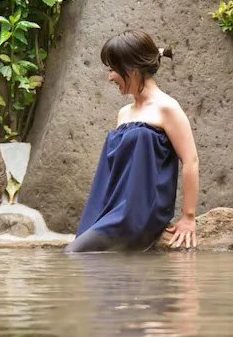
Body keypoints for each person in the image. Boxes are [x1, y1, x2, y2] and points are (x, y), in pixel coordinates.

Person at [66, 30, 199, 252]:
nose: (109, 77)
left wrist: (188, 217)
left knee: (76, 255)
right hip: (111, 207)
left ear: (131, 69)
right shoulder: (124, 113)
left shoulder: (167, 108)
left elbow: (190, 161)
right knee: (79, 255)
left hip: (140, 210)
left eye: (112, 69)